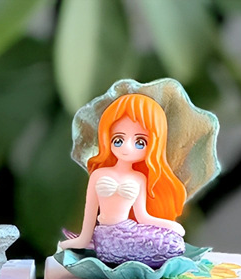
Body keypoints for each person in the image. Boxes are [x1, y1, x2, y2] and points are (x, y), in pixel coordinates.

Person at [59, 93, 187, 267]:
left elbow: (143, 217)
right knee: (167, 245)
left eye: (140, 142)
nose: (126, 147)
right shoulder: (99, 174)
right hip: (106, 239)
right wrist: (74, 242)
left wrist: (171, 226)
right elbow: (89, 219)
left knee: (172, 242)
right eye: (118, 140)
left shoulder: (139, 178)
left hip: (130, 229)